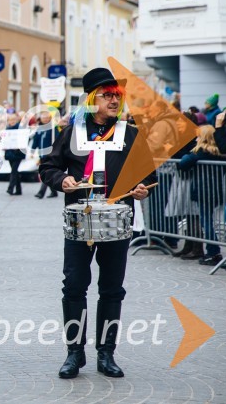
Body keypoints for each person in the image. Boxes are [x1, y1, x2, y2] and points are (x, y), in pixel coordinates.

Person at [39, 67, 155, 380]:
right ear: (92, 99)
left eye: (117, 95)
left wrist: (143, 188)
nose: (114, 100)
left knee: (112, 289)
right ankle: (74, 354)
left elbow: (148, 175)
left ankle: (106, 354)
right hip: (80, 223)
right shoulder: (73, 132)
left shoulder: (130, 134)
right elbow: (48, 166)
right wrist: (62, 179)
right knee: (74, 286)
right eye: (107, 95)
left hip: (117, 221)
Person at [176, 125, 226, 266]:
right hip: (216, 192)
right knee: (212, 221)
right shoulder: (220, 153)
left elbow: (183, 164)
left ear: (203, 137)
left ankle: (213, 251)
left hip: (203, 192)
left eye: (198, 136)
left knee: (207, 222)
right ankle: (213, 250)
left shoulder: (200, 152)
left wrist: (188, 154)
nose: (196, 138)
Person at [32, 111, 58, 198]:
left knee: (45, 173)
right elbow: (35, 140)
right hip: (42, 154)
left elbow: (58, 139)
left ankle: (41, 192)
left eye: (47, 118)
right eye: (44, 118)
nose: (45, 120)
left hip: (50, 154)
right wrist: (32, 151)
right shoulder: (39, 128)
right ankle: (54, 191)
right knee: (47, 173)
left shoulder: (53, 128)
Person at [4, 112, 25, 196]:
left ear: (17, 120)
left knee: (13, 171)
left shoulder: (21, 129)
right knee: (15, 171)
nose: (12, 121)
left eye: (13, 120)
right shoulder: (7, 129)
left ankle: (10, 189)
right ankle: (19, 190)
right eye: (10, 120)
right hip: (9, 153)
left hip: (18, 153)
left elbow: (24, 139)